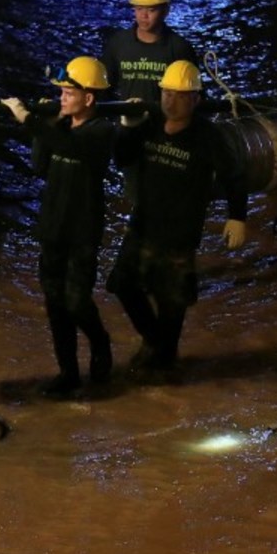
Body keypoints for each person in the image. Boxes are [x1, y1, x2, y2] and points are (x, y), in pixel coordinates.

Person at [105, 59, 247, 374]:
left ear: (195, 99)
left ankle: (164, 364)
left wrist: (237, 217)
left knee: (171, 302)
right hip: (143, 224)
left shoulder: (207, 135)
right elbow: (122, 158)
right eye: (166, 93)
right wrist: (128, 127)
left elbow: (234, 176)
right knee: (124, 285)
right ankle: (156, 344)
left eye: (179, 96)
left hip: (180, 233)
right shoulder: (151, 123)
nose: (170, 101)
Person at [1, 56, 119, 397]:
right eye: (61, 92)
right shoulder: (60, 129)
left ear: (89, 98)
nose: (62, 98)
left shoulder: (101, 131)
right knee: (55, 303)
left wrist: (28, 119)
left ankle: (100, 341)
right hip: (52, 227)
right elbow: (40, 166)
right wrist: (45, 125)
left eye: (69, 93)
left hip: (82, 229)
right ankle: (68, 372)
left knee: (76, 300)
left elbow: (72, 148)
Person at [100, 0, 199, 205]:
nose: (143, 16)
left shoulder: (179, 48)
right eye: (138, 9)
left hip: (166, 135)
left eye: (151, 10)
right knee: (136, 197)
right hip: (130, 132)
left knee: (168, 197)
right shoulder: (118, 44)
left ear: (165, 10)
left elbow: (194, 97)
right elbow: (104, 89)